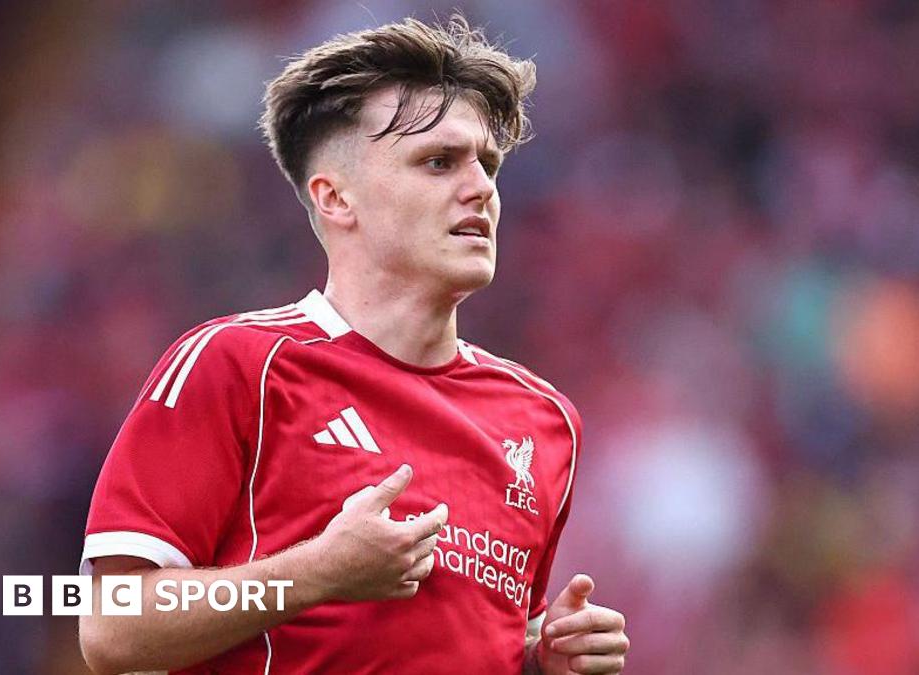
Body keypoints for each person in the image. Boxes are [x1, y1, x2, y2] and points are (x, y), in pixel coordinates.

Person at [77, 15, 629, 674]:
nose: (481, 187)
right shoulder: (240, 365)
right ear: (336, 198)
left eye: (487, 164)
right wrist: (318, 571)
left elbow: (484, 645)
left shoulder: (545, 421)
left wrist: (545, 661)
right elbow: (111, 625)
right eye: (439, 162)